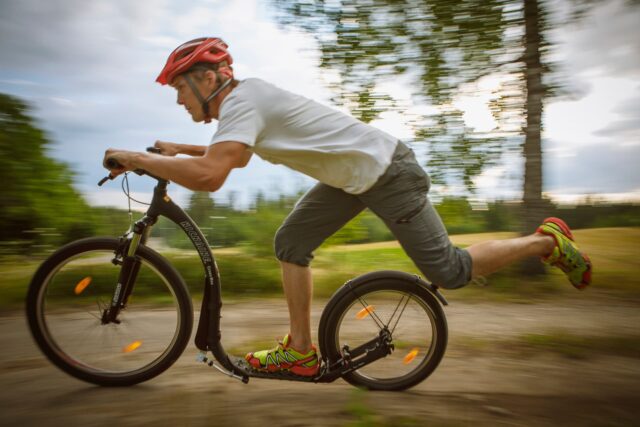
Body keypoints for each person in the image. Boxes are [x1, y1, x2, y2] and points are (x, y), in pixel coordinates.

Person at [104, 37, 592, 377]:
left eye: (180, 89)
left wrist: (138, 157)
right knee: (291, 241)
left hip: (387, 173)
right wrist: (179, 151)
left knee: (449, 269)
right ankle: (299, 351)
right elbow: (236, 157)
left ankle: (546, 241)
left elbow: (214, 175)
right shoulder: (241, 105)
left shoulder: (242, 101)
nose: (179, 100)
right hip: (350, 180)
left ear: (211, 76)